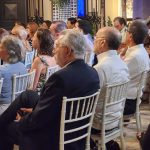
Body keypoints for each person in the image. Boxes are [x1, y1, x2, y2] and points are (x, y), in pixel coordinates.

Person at [0, 29, 100, 150]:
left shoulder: (60, 78)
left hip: (54, 136)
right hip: (76, 130)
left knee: (6, 127)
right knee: (29, 95)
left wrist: (22, 121)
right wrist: (36, 111)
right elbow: (57, 106)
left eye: (57, 46)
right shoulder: (92, 72)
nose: (53, 50)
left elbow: (38, 120)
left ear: (67, 51)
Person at [91, 27, 129, 149]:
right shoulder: (122, 64)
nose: (93, 41)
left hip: (98, 124)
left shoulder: (100, 68)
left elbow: (90, 101)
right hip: (115, 119)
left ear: (102, 43)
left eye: (95, 38)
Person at [123, 20, 150, 115]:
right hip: (133, 99)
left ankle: (107, 127)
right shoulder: (141, 51)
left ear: (130, 36)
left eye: (126, 31)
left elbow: (117, 77)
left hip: (127, 103)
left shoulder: (134, 55)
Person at [0, 35, 27, 114]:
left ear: (9, 52)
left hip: (4, 108)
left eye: (1, 47)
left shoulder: (2, 70)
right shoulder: (23, 66)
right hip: (18, 105)